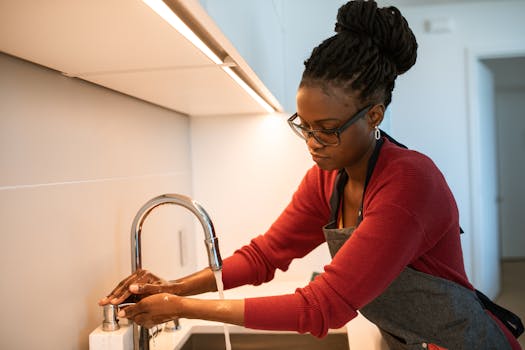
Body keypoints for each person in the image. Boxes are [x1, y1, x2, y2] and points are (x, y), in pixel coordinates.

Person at [99, 1, 523, 349]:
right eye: (304, 125)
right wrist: (175, 288)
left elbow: (322, 307)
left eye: (328, 129)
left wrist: (181, 307)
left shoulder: (409, 184)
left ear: (373, 115)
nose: (313, 142)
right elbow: (265, 257)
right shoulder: (327, 178)